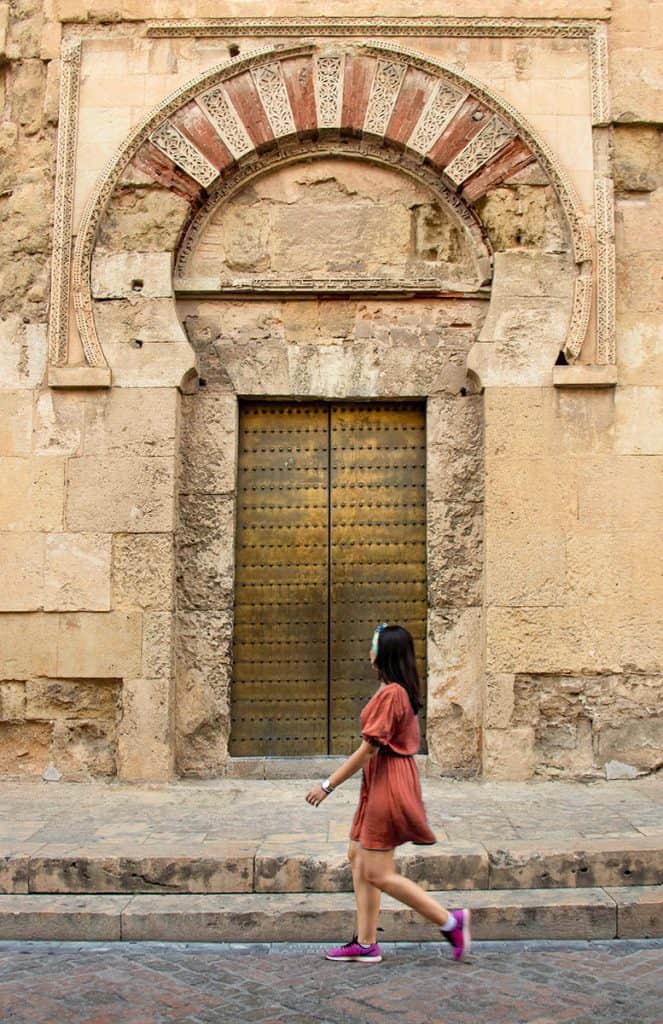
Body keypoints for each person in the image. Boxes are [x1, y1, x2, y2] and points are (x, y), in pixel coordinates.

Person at [305, 623, 471, 964]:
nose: (369, 649)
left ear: (384, 654)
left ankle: (451, 922)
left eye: (373, 644)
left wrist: (327, 785)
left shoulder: (392, 693)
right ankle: (365, 943)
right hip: (380, 780)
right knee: (357, 856)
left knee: (378, 872)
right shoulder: (394, 690)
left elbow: (369, 749)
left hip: (389, 782)